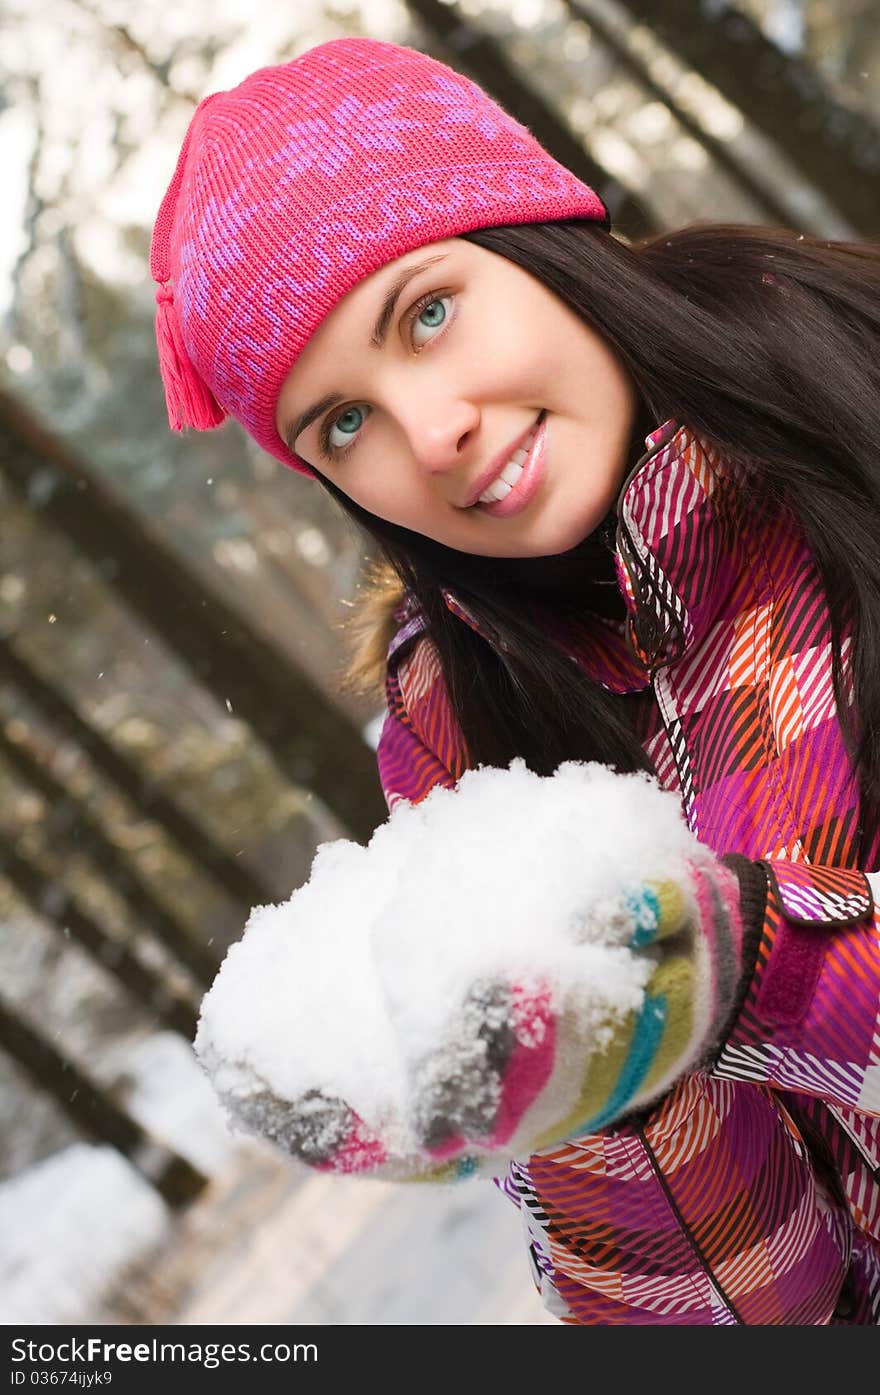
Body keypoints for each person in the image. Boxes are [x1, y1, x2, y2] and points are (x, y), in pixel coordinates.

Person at [149, 36, 880, 1325]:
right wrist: (607, 1079)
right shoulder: (464, 742)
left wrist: (753, 969)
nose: (431, 438)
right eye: (344, 423)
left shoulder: (854, 388)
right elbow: (774, 1305)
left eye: (427, 312)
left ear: (537, 233)